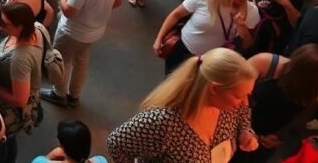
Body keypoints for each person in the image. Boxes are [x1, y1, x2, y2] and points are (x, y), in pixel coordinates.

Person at [107, 48, 258, 163]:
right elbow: (117, 144)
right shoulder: (163, 122)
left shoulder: (228, 107)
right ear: (214, 88)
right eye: (239, 96)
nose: (245, 101)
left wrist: (246, 130)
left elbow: (244, 111)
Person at [232, 45, 318, 163]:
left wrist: (280, 137)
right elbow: (235, 94)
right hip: (237, 121)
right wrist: (246, 129)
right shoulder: (264, 62)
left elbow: (300, 116)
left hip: (267, 137)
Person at [153, 0, 260, 74]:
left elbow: (247, 44)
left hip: (211, 63)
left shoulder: (251, 12)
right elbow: (176, 15)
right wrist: (159, 39)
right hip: (183, 51)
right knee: (171, 83)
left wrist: (241, 25)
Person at [0, 3, 43, 163]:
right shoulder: (35, 29)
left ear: (19, 26)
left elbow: (20, 99)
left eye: (5, 23)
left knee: (1, 140)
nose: (1, 25)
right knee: (10, 139)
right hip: (17, 94)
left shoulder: (20, 58)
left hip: (9, 108)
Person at [33, 120, 108, 163]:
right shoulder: (101, 160)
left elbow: (40, 160)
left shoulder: (39, 161)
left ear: (61, 145)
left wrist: (48, 157)